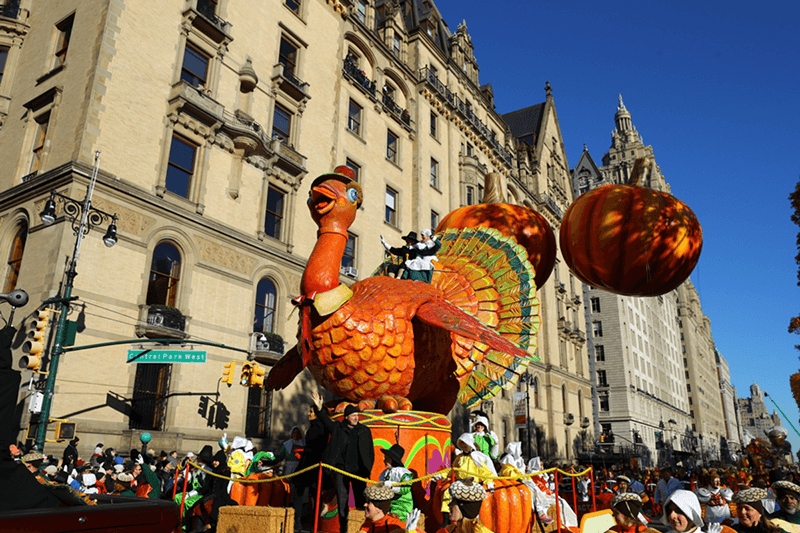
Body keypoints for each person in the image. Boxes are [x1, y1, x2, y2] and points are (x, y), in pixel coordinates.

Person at [311, 391, 375, 533]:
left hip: (358, 471)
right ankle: (344, 528)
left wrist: (368, 467)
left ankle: (361, 529)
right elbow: (326, 421)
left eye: (357, 416)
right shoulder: (338, 428)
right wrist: (320, 408)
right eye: (353, 416)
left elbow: (370, 451)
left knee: (361, 501)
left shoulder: (364, 430)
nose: (356, 418)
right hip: (341, 471)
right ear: (346, 417)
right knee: (342, 501)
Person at [379, 444, 413, 520]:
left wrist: (390, 485)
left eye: (387, 458)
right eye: (385, 458)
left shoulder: (404, 473)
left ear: (393, 460)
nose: (384, 460)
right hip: (389, 504)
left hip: (402, 505)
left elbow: (405, 489)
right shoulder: (385, 473)